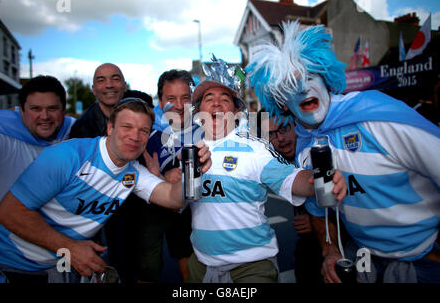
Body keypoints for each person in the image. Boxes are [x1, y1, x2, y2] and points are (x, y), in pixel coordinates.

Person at [247, 20, 440, 283]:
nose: (303, 89)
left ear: (326, 79)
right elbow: (318, 210)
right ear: (282, 103)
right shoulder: (305, 144)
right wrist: (330, 250)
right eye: (289, 87)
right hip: (363, 258)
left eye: (309, 77)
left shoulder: (378, 117)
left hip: (424, 259)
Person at [0, 99, 211, 283]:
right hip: (7, 264)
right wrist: (70, 247)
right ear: (110, 128)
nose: (135, 136)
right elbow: (8, 212)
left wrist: (194, 175)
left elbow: (173, 199)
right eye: (127, 127)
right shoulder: (67, 156)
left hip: (57, 266)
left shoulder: (132, 171)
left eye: (143, 130)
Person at [185, 55, 347, 283]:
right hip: (201, 266)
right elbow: (175, 199)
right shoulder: (190, 150)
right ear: (198, 111)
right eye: (208, 98)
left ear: (235, 111)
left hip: (251, 267)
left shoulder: (254, 148)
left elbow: (292, 179)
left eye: (225, 99)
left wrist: (320, 178)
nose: (216, 103)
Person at [68, 63, 157, 283]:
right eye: (101, 80)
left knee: (138, 266)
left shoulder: (142, 116)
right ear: (92, 88)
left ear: (124, 85)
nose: (109, 85)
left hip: (136, 206)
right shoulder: (82, 127)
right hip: (95, 211)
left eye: (115, 79)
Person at [136, 69, 199, 282]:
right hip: (151, 209)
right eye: (171, 99)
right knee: (148, 267)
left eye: (185, 98)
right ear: (161, 101)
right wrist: (159, 177)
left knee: (190, 264)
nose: (179, 106)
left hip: (189, 208)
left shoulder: (205, 129)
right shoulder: (145, 131)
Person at [0, 75, 75, 219]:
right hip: (3, 238)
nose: (45, 116)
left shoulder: (76, 132)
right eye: (35, 109)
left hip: (59, 236)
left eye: (52, 108)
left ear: (63, 110)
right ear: (21, 110)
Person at [256, 109, 324, 283]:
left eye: (284, 129)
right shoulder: (275, 162)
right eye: (271, 134)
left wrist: (318, 221)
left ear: (296, 125)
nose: (280, 138)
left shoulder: (318, 150)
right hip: (308, 245)